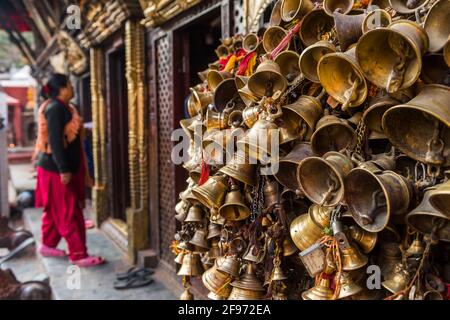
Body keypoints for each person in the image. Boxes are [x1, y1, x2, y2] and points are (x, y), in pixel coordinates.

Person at [34, 73, 104, 267]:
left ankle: (47, 245)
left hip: (55, 169)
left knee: (55, 210)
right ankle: (78, 254)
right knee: (69, 212)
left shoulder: (64, 107)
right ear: (63, 88)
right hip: (56, 170)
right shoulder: (55, 108)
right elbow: (56, 141)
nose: (72, 88)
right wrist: (64, 169)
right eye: (70, 85)